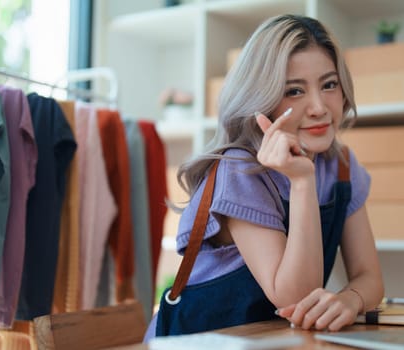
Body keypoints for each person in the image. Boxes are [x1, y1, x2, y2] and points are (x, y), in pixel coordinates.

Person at [149, 14, 384, 338]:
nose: (318, 107)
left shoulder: (341, 165)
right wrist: (302, 182)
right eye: (294, 91)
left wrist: (350, 299)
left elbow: (369, 275)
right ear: (262, 100)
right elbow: (295, 296)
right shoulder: (239, 170)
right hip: (197, 342)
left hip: (268, 340)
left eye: (329, 84)